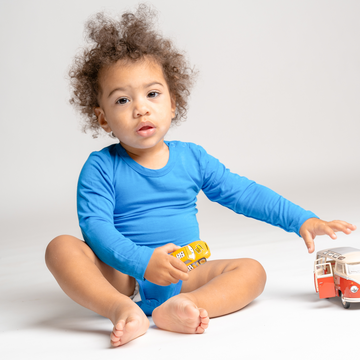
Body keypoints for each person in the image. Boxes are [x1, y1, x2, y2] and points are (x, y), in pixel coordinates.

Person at [45, 4, 356, 347]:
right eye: (122, 100)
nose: (140, 108)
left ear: (173, 103)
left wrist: (301, 219)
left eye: (152, 94)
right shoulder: (100, 167)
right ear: (103, 118)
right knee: (61, 248)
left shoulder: (192, 158)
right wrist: (143, 262)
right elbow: (96, 228)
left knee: (252, 271)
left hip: (186, 272)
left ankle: (186, 306)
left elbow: (243, 193)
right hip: (124, 276)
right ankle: (119, 309)